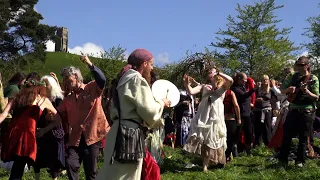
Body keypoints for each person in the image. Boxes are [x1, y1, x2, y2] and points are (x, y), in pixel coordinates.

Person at [97, 48, 170, 180]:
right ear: (145, 63)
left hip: (116, 132)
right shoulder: (136, 79)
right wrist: (161, 103)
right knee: (126, 176)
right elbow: (149, 111)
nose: (152, 69)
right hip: (128, 134)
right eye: (151, 64)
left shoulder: (122, 78)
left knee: (111, 173)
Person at [41, 54, 110, 180]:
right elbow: (58, 115)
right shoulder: (68, 100)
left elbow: (102, 80)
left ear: (77, 77)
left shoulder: (92, 88)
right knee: (70, 163)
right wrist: (48, 115)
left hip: (93, 136)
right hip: (76, 138)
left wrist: (89, 62)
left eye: (69, 81)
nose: (67, 84)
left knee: (91, 171)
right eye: (66, 82)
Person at [0, 79, 59, 180]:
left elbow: (4, 114)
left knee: (18, 167)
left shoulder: (17, 97)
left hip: (13, 134)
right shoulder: (42, 99)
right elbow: (59, 119)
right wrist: (45, 129)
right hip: (27, 136)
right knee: (19, 167)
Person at [183, 66, 233, 171]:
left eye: (212, 71)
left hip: (215, 118)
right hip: (204, 116)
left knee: (214, 139)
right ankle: (205, 167)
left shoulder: (223, 87)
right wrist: (186, 84)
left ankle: (218, 160)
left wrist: (219, 73)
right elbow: (191, 91)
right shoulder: (204, 86)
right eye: (209, 72)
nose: (210, 73)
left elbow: (230, 80)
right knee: (204, 140)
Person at [279, 56, 319, 167]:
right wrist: (288, 90)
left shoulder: (313, 78)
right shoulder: (291, 76)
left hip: (307, 111)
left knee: (303, 137)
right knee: (286, 136)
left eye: (300, 65)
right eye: (297, 64)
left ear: (307, 66)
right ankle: (282, 160)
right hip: (292, 110)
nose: (297, 67)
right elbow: (281, 90)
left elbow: (316, 97)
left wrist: (306, 91)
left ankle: (300, 161)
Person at [34, 74, 65, 180]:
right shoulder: (40, 99)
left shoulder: (57, 99)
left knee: (54, 158)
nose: (45, 86)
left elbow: (59, 118)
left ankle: (54, 178)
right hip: (42, 131)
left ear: (52, 85)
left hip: (55, 132)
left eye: (46, 84)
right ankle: (36, 177)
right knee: (38, 155)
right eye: (43, 84)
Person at [231, 72, 258, 155]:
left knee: (249, 133)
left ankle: (248, 151)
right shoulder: (235, 88)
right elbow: (243, 96)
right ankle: (234, 151)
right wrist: (253, 89)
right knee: (237, 133)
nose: (245, 82)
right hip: (240, 114)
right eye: (244, 80)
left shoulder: (243, 87)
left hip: (248, 113)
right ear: (239, 79)